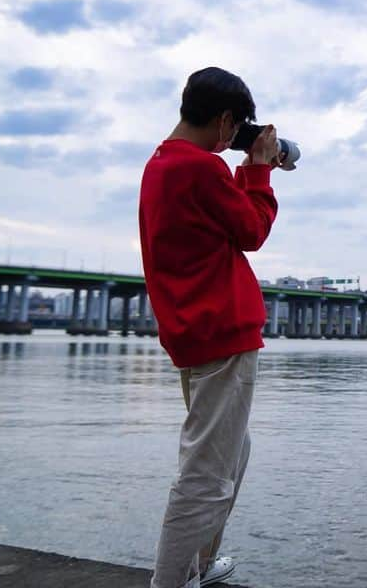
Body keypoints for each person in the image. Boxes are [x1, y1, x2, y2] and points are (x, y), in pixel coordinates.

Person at [139, 66, 280, 588]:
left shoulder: (163, 164)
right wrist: (259, 170)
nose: (236, 137)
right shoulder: (200, 168)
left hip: (194, 330)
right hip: (223, 329)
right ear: (225, 121)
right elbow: (252, 230)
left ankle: (195, 565)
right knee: (206, 473)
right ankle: (173, 580)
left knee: (231, 453)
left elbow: (220, 225)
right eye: (238, 126)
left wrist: (246, 168)